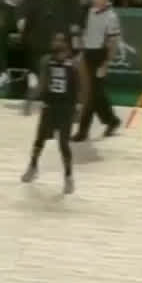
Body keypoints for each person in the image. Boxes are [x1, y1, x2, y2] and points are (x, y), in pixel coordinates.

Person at [21, 32, 86, 195]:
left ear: (67, 46)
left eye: (60, 41)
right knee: (39, 140)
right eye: (55, 40)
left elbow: (79, 88)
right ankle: (33, 166)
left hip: (66, 108)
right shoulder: (46, 61)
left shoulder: (73, 64)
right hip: (50, 106)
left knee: (63, 144)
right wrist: (30, 99)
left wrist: (79, 108)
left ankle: (69, 177)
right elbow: (42, 84)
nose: (57, 43)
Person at [76, 0, 122, 140]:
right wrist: (81, 51)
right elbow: (83, 32)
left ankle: (83, 131)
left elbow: (113, 42)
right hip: (87, 54)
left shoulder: (111, 17)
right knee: (96, 95)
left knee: (92, 95)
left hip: (100, 56)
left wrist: (105, 64)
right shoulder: (89, 12)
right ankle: (112, 121)